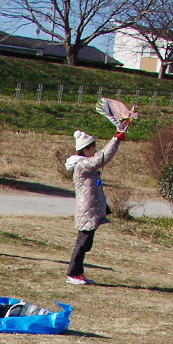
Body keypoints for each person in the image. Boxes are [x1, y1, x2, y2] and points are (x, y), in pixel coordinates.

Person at [63, 120, 129, 286]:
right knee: (82, 242)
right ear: (85, 149)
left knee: (86, 243)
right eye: (92, 148)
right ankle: (72, 273)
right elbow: (102, 157)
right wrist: (116, 139)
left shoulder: (86, 165)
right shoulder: (83, 165)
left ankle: (78, 272)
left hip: (91, 210)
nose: (95, 150)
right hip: (87, 210)